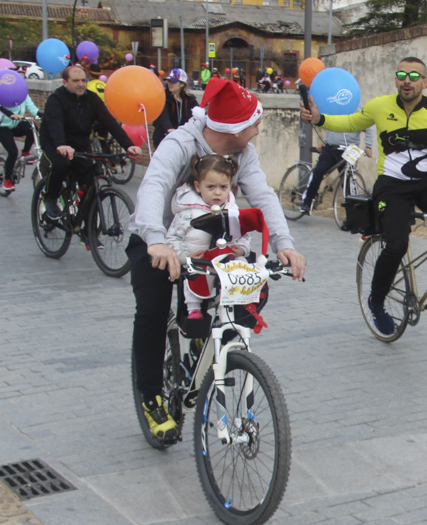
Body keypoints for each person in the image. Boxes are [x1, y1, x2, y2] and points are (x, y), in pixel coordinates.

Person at [127, 77, 306, 443]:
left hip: (215, 238)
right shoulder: (179, 143)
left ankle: (205, 342)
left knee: (241, 288)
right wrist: (156, 241)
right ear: (234, 129)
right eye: (254, 124)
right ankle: (151, 397)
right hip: (158, 238)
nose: (258, 130)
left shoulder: (243, 153)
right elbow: (155, 185)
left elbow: (263, 195)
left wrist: (284, 244)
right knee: (153, 310)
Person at [300, 56, 427, 335]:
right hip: (391, 186)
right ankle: (376, 301)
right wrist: (319, 118)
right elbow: (351, 122)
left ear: (425, 82)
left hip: (426, 182)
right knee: (396, 244)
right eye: (402, 74)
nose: (407, 79)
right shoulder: (379, 107)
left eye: (414, 76)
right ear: (396, 80)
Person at [39, 65, 142, 219]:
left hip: (80, 142)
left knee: (90, 179)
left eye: (83, 80)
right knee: (61, 165)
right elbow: (55, 123)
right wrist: (61, 144)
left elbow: (109, 123)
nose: (80, 84)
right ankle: (50, 198)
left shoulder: (92, 99)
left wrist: (128, 145)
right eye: (75, 81)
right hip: (55, 142)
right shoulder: (56, 99)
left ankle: (87, 230)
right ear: (65, 83)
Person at [164, 154, 248, 321]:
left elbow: (244, 233)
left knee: (241, 268)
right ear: (197, 186)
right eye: (210, 187)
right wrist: (185, 256)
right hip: (198, 262)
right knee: (195, 276)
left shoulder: (232, 211)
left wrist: (242, 248)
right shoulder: (188, 213)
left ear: (230, 186)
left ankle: (225, 306)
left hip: (223, 262)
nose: (217, 192)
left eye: (223, 187)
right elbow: (172, 238)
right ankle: (193, 309)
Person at [299, 126, 375, 217]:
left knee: (349, 181)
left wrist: (368, 146)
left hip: (349, 150)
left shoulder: (357, 111)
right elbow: (329, 123)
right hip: (331, 149)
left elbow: (369, 127)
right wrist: (325, 141)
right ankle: (307, 201)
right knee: (318, 171)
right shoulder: (335, 111)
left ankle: (352, 215)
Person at [0, 93, 40, 192]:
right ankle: (7, 179)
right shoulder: (4, 92)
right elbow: (0, 106)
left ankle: (26, 151)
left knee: (32, 127)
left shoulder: (24, 95)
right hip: (1, 126)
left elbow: (33, 109)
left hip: (16, 124)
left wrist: (45, 116)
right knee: (13, 152)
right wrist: (11, 115)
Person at [152, 68, 197, 148]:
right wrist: (169, 128)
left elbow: (196, 115)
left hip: (183, 139)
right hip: (163, 138)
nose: (170, 84)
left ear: (182, 84)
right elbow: (163, 115)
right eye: (169, 81)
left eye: (173, 82)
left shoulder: (189, 99)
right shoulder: (163, 97)